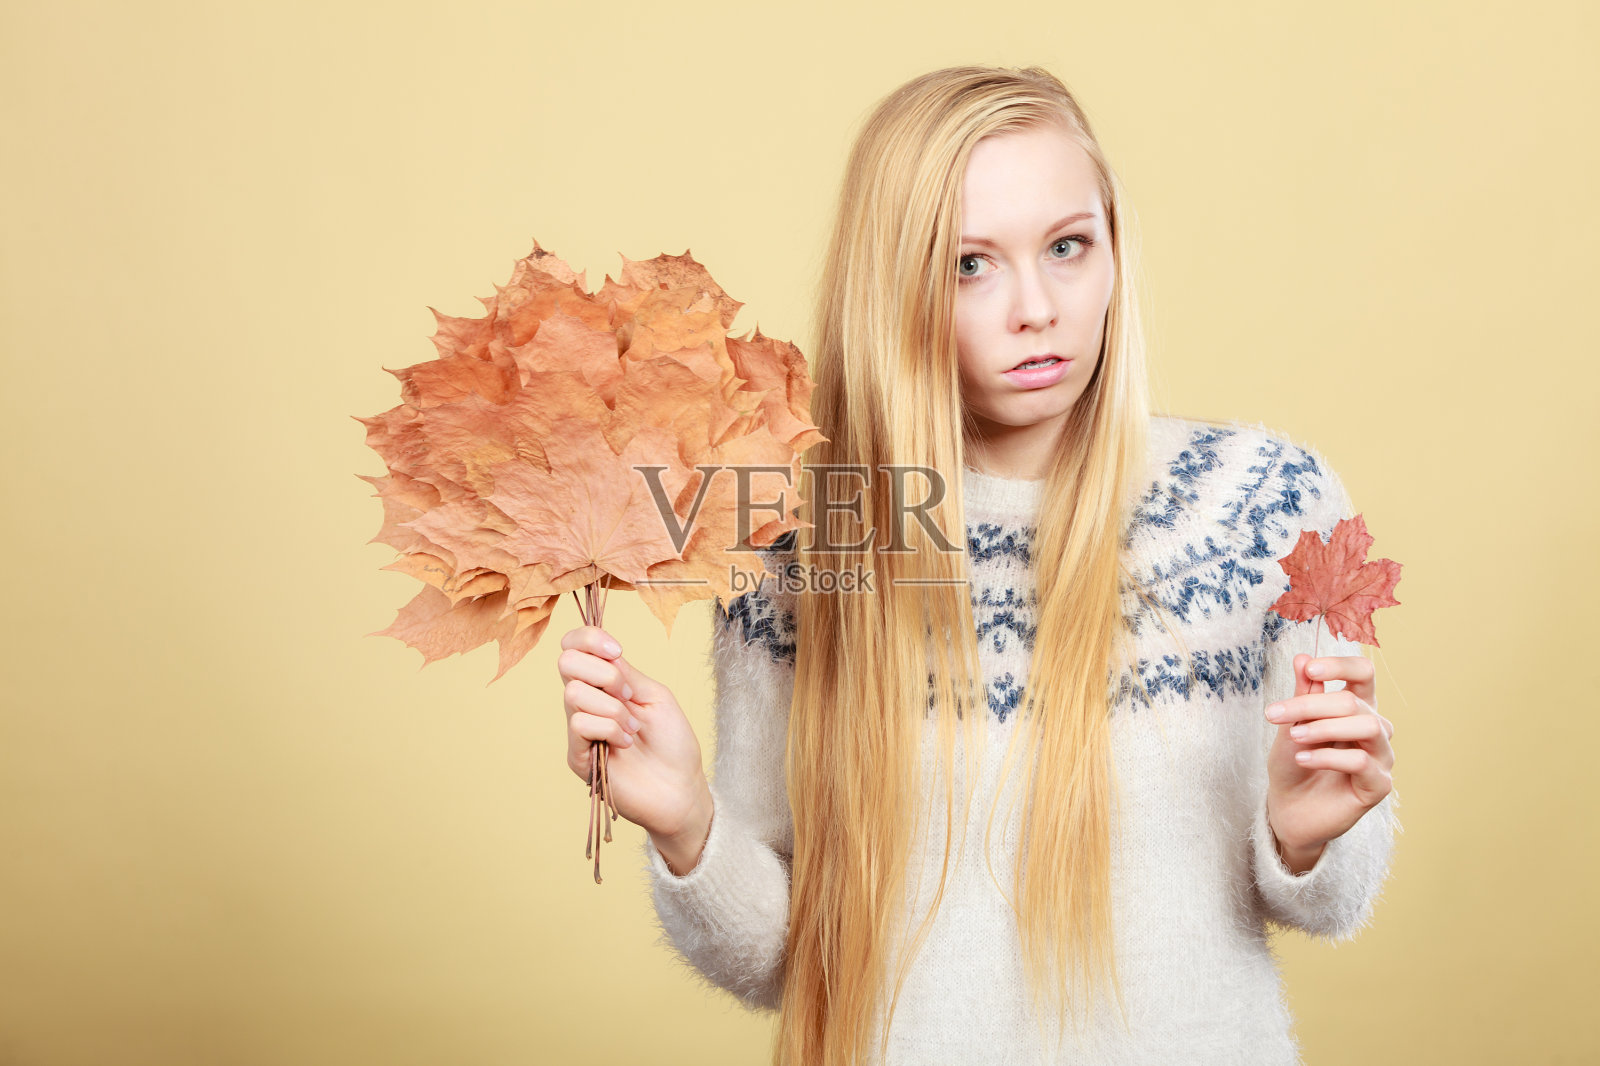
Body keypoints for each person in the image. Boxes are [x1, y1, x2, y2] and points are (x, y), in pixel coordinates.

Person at [555, 65, 1400, 1066]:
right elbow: (785, 960)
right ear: (896, 283)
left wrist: (1307, 834)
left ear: (1114, 253)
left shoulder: (1267, 506)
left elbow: (1335, 900)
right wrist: (689, 823)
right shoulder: (800, 539)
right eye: (969, 265)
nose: (1035, 307)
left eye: (1067, 246)